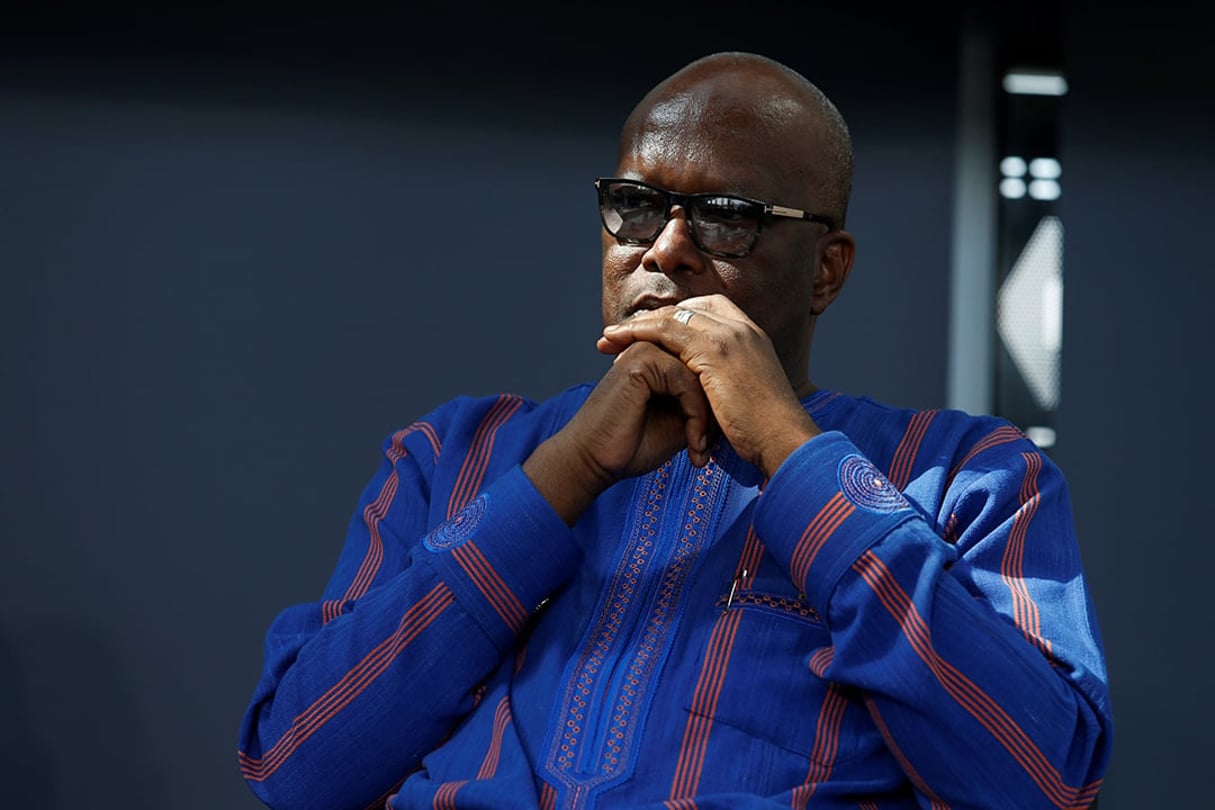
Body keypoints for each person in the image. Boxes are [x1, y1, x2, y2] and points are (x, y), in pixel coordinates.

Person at [238, 51, 1112, 809]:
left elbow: (1042, 784)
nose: (664, 249)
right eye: (635, 204)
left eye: (728, 215)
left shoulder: (969, 477)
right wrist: (566, 473)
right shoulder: (449, 457)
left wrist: (788, 449)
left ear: (826, 271)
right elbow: (295, 768)